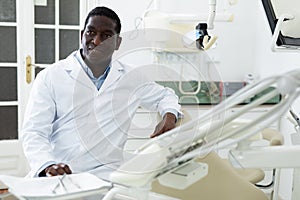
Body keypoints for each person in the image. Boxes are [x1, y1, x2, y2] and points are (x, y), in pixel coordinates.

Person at [21, 6, 182, 180]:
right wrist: (47, 165)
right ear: (82, 35)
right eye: (91, 32)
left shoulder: (131, 78)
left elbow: (165, 96)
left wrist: (170, 115)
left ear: (118, 43)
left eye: (106, 36)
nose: (96, 41)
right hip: (59, 173)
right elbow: (34, 132)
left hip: (107, 176)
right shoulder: (51, 76)